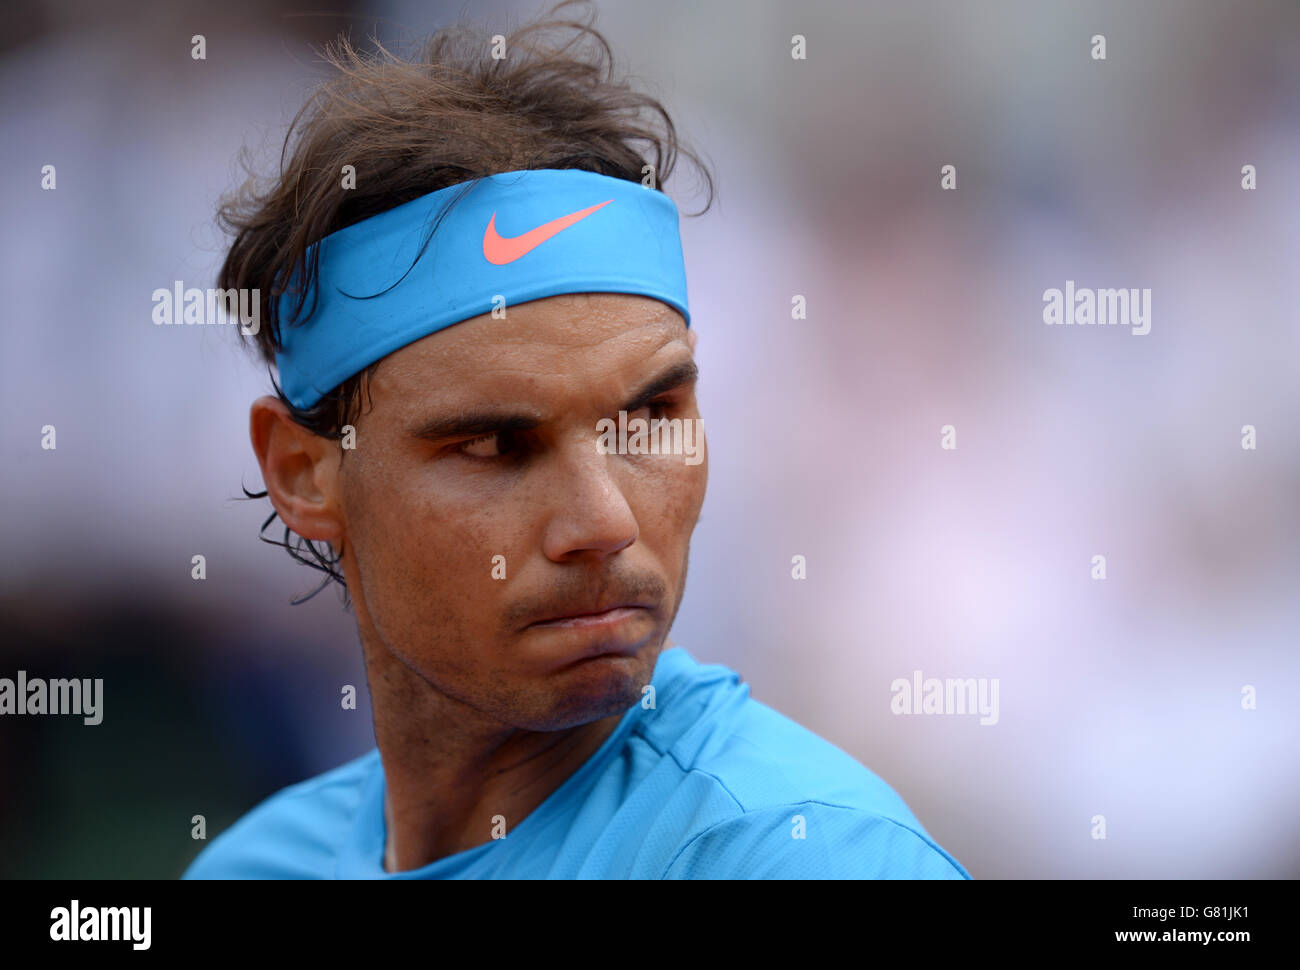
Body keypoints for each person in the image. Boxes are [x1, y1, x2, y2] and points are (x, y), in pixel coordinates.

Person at [183, 3, 970, 880]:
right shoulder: (252, 868)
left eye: (645, 419)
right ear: (303, 472)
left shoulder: (808, 856)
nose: (604, 524)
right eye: (492, 446)